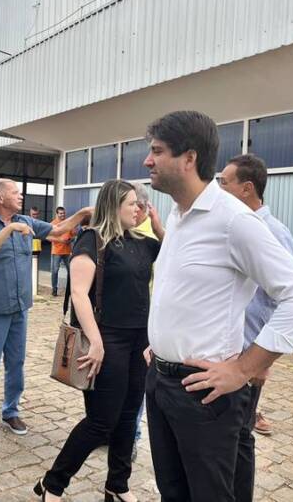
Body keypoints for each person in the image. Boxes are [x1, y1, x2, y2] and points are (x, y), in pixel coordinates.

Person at [143, 111, 293, 502]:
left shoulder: (233, 221)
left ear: (189, 158)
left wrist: (245, 368)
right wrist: (159, 343)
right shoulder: (177, 215)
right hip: (159, 381)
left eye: (157, 151)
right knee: (172, 492)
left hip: (203, 393)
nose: (147, 161)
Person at [35, 180, 162, 502]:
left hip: (139, 341)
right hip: (107, 339)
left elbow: (177, 253)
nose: (138, 209)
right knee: (102, 421)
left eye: (140, 205)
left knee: (128, 417)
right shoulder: (92, 240)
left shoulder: (142, 242)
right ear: (114, 206)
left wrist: (158, 224)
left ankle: (117, 485)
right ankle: (52, 484)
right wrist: (96, 341)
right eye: (132, 203)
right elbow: (79, 294)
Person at [0, 179, 91, 440]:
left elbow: (58, 231)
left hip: (20, 307)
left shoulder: (26, 221)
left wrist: (82, 214)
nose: (21, 196)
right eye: (15, 192)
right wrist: (10, 229)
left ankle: (11, 411)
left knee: (16, 362)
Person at [218, 154, 293, 501]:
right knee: (229, 436)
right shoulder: (233, 226)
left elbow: (291, 301)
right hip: (227, 352)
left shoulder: (274, 233)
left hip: (247, 356)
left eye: (224, 182)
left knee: (239, 436)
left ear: (247, 188)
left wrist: (263, 360)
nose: (218, 188)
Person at [130, 182, 162, 462]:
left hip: (147, 322)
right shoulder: (122, 231)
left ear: (140, 208)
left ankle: (132, 436)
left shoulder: (153, 238)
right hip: (125, 321)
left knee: (138, 382)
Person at [49, 207, 75, 296]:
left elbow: (74, 235)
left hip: (67, 251)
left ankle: (70, 289)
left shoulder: (68, 223)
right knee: (55, 271)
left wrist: (70, 240)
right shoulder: (52, 224)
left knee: (71, 270)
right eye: (60, 213)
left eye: (63, 213)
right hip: (56, 251)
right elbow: (48, 237)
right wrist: (60, 240)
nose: (62, 215)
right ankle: (54, 289)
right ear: (57, 214)